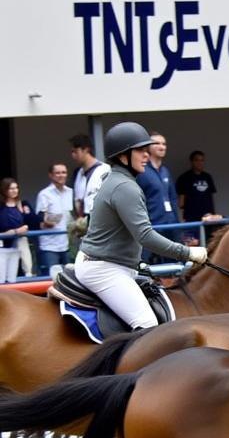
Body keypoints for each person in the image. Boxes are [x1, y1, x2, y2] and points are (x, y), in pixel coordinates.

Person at [74, 122, 206, 329]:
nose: (147, 155)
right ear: (122, 156)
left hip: (114, 263)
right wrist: (187, 252)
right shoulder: (125, 187)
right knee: (147, 324)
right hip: (104, 268)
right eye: (141, 150)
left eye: (147, 150)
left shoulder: (118, 180)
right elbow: (145, 236)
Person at [137, 130, 186, 245]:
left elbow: (173, 198)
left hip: (171, 224)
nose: (162, 147)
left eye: (164, 144)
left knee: (175, 260)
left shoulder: (165, 171)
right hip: (153, 226)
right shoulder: (142, 171)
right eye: (157, 143)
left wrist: (177, 223)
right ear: (148, 147)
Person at [34, 161, 74, 274]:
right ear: (51, 175)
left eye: (64, 172)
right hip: (50, 245)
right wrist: (48, 221)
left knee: (69, 278)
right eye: (57, 173)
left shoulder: (71, 192)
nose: (61, 175)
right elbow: (40, 218)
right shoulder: (44, 194)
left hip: (67, 244)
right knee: (51, 279)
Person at [69, 132, 110, 234]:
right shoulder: (77, 173)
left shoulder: (105, 170)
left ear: (86, 150)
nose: (73, 156)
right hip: (83, 228)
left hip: (101, 227)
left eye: (75, 152)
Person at [176, 150, 220, 232]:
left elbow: (211, 198)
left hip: (208, 218)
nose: (200, 163)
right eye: (197, 160)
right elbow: (181, 202)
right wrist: (183, 218)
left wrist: (213, 214)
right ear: (192, 162)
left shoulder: (207, 177)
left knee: (209, 241)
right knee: (194, 243)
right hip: (191, 219)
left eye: (202, 160)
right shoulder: (184, 178)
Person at [0, 178, 34, 282]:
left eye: (16, 188)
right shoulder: (1, 206)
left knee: (22, 244)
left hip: (20, 239)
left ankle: (29, 274)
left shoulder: (23, 204)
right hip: (4, 241)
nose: (15, 191)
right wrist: (14, 231)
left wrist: (26, 223)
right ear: (4, 190)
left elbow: (33, 221)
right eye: (11, 188)